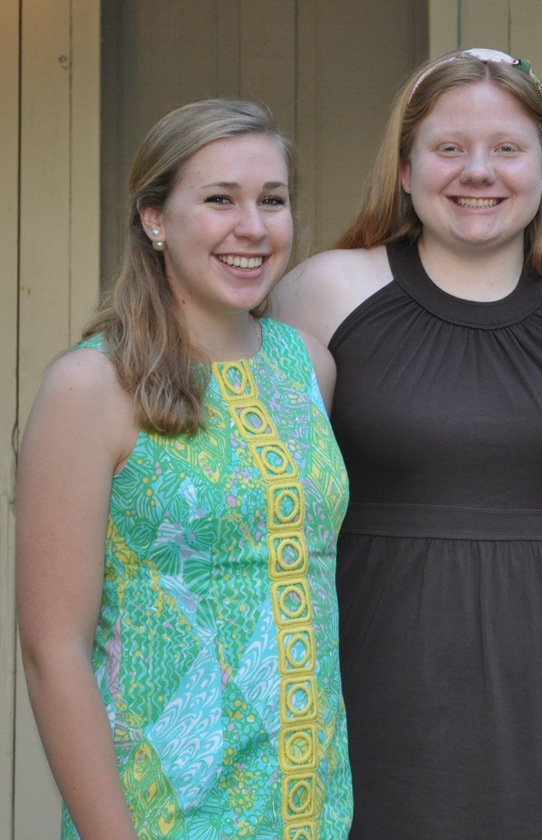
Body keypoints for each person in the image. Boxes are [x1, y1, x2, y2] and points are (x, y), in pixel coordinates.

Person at [270, 49, 542, 838]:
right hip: (373, 676)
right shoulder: (324, 292)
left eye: (507, 149)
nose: (477, 171)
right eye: (449, 148)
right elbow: (271, 501)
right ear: (406, 169)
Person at [16, 99, 351, 839]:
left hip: (311, 808)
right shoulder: (91, 386)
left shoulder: (308, 368)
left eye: (273, 200)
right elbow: (52, 651)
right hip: (164, 814)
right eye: (219, 200)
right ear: (155, 219)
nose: (253, 228)